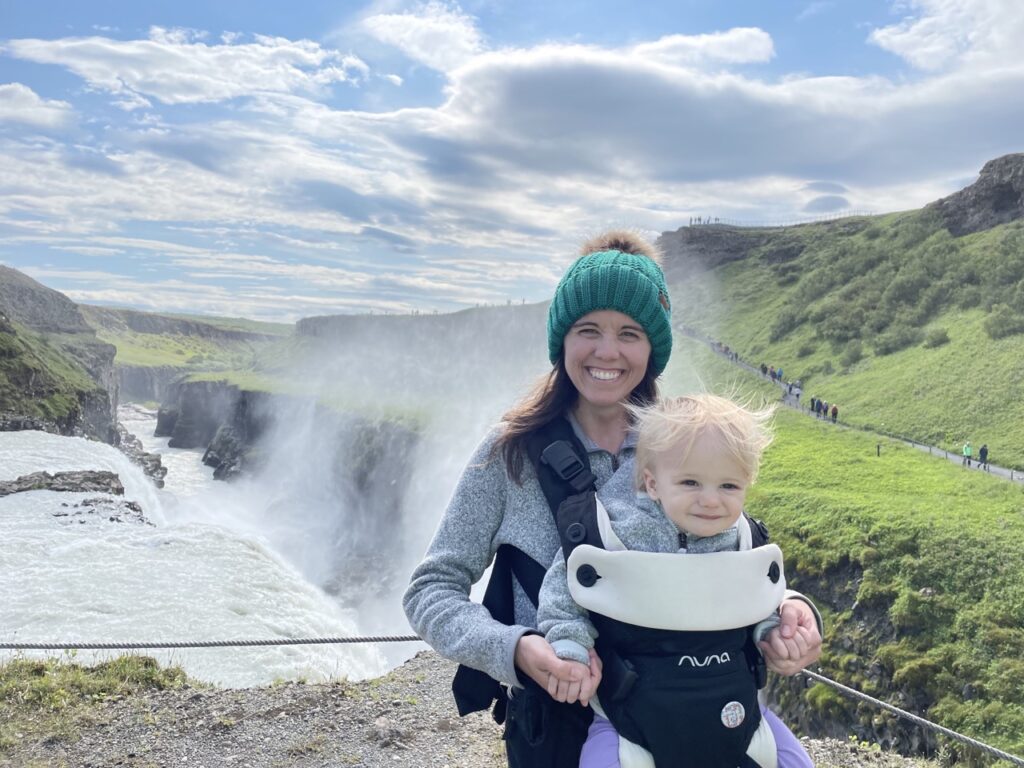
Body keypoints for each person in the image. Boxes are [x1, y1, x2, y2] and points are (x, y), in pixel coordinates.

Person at [403, 231, 823, 768]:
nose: (607, 351)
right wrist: (516, 651)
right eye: (588, 330)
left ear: (653, 349)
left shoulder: (686, 442)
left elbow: (731, 548)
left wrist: (791, 613)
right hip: (560, 731)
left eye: (629, 332)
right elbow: (431, 590)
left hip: (697, 722)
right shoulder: (509, 455)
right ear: (563, 340)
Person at [537, 394, 814, 767]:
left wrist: (775, 630)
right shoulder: (613, 532)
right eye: (690, 482)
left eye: (729, 486)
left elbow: (760, 601)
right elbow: (564, 591)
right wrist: (570, 647)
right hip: (630, 724)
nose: (711, 500)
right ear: (652, 484)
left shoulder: (745, 540)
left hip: (736, 713)